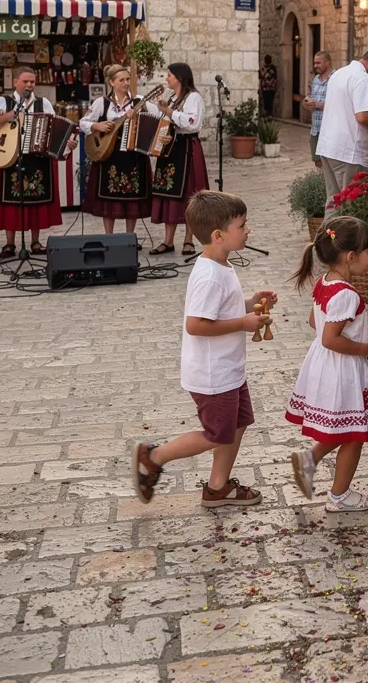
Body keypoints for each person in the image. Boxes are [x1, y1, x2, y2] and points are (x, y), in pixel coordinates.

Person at [131, 191, 276, 508]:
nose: (248, 230)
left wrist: (252, 303)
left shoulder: (222, 264)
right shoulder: (210, 276)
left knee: (238, 424)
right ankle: (153, 457)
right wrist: (243, 323)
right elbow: (196, 324)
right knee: (216, 434)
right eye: (242, 225)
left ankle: (217, 487)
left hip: (228, 369)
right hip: (213, 375)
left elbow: (223, 309)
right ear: (219, 235)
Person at [286, 215, 368, 512]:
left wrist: (359, 337)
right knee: (354, 436)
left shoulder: (325, 282)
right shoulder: (347, 294)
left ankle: (309, 460)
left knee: (341, 428)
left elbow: (315, 322)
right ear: (351, 256)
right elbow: (331, 338)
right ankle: (340, 496)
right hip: (343, 371)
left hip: (326, 367)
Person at [0, 66, 76, 256]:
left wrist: (66, 144)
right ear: (15, 82)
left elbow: (53, 129)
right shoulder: (3, 101)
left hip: (37, 158)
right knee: (10, 202)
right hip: (10, 157)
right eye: (25, 81)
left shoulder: (43, 103)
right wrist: (6, 117)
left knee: (36, 201)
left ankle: (35, 242)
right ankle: (9, 244)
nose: (29, 85)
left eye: (32, 81)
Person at [315, 46, 368, 207]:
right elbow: (363, 117)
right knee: (353, 206)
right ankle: (345, 226)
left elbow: (345, 105)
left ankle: (330, 226)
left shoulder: (340, 73)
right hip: (348, 153)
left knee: (334, 203)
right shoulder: (363, 79)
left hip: (329, 148)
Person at [79, 65, 153, 241]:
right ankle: (109, 237)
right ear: (112, 83)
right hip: (109, 154)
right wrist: (97, 125)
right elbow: (83, 122)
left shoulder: (139, 102)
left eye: (128, 79)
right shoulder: (102, 102)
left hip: (133, 154)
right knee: (108, 196)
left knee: (133, 196)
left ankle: (129, 237)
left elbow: (157, 120)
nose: (126, 83)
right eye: (122, 80)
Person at [149, 62, 209, 257]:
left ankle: (188, 240)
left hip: (187, 149)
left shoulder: (193, 98)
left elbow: (192, 123)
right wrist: (165, 131)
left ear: (180, 77)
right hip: (172, 150)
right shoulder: (174, 98)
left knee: (189, 194)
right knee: (169, 193)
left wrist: (168, 112)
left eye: (169, 75)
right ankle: (168, 241)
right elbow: (170, 123)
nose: (167, 78)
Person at [302, 50, 333, 168]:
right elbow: (310, 97)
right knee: (318, 162)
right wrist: (306, 103)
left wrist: (317, 105)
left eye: (318, 63)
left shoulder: (336, 79)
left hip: (330, 130)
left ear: (328, 62)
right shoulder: (315, 79)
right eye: (314, 63)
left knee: (330, 163)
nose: (315, 66)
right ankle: (322, 181)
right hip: (315, 129)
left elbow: (339, 104)